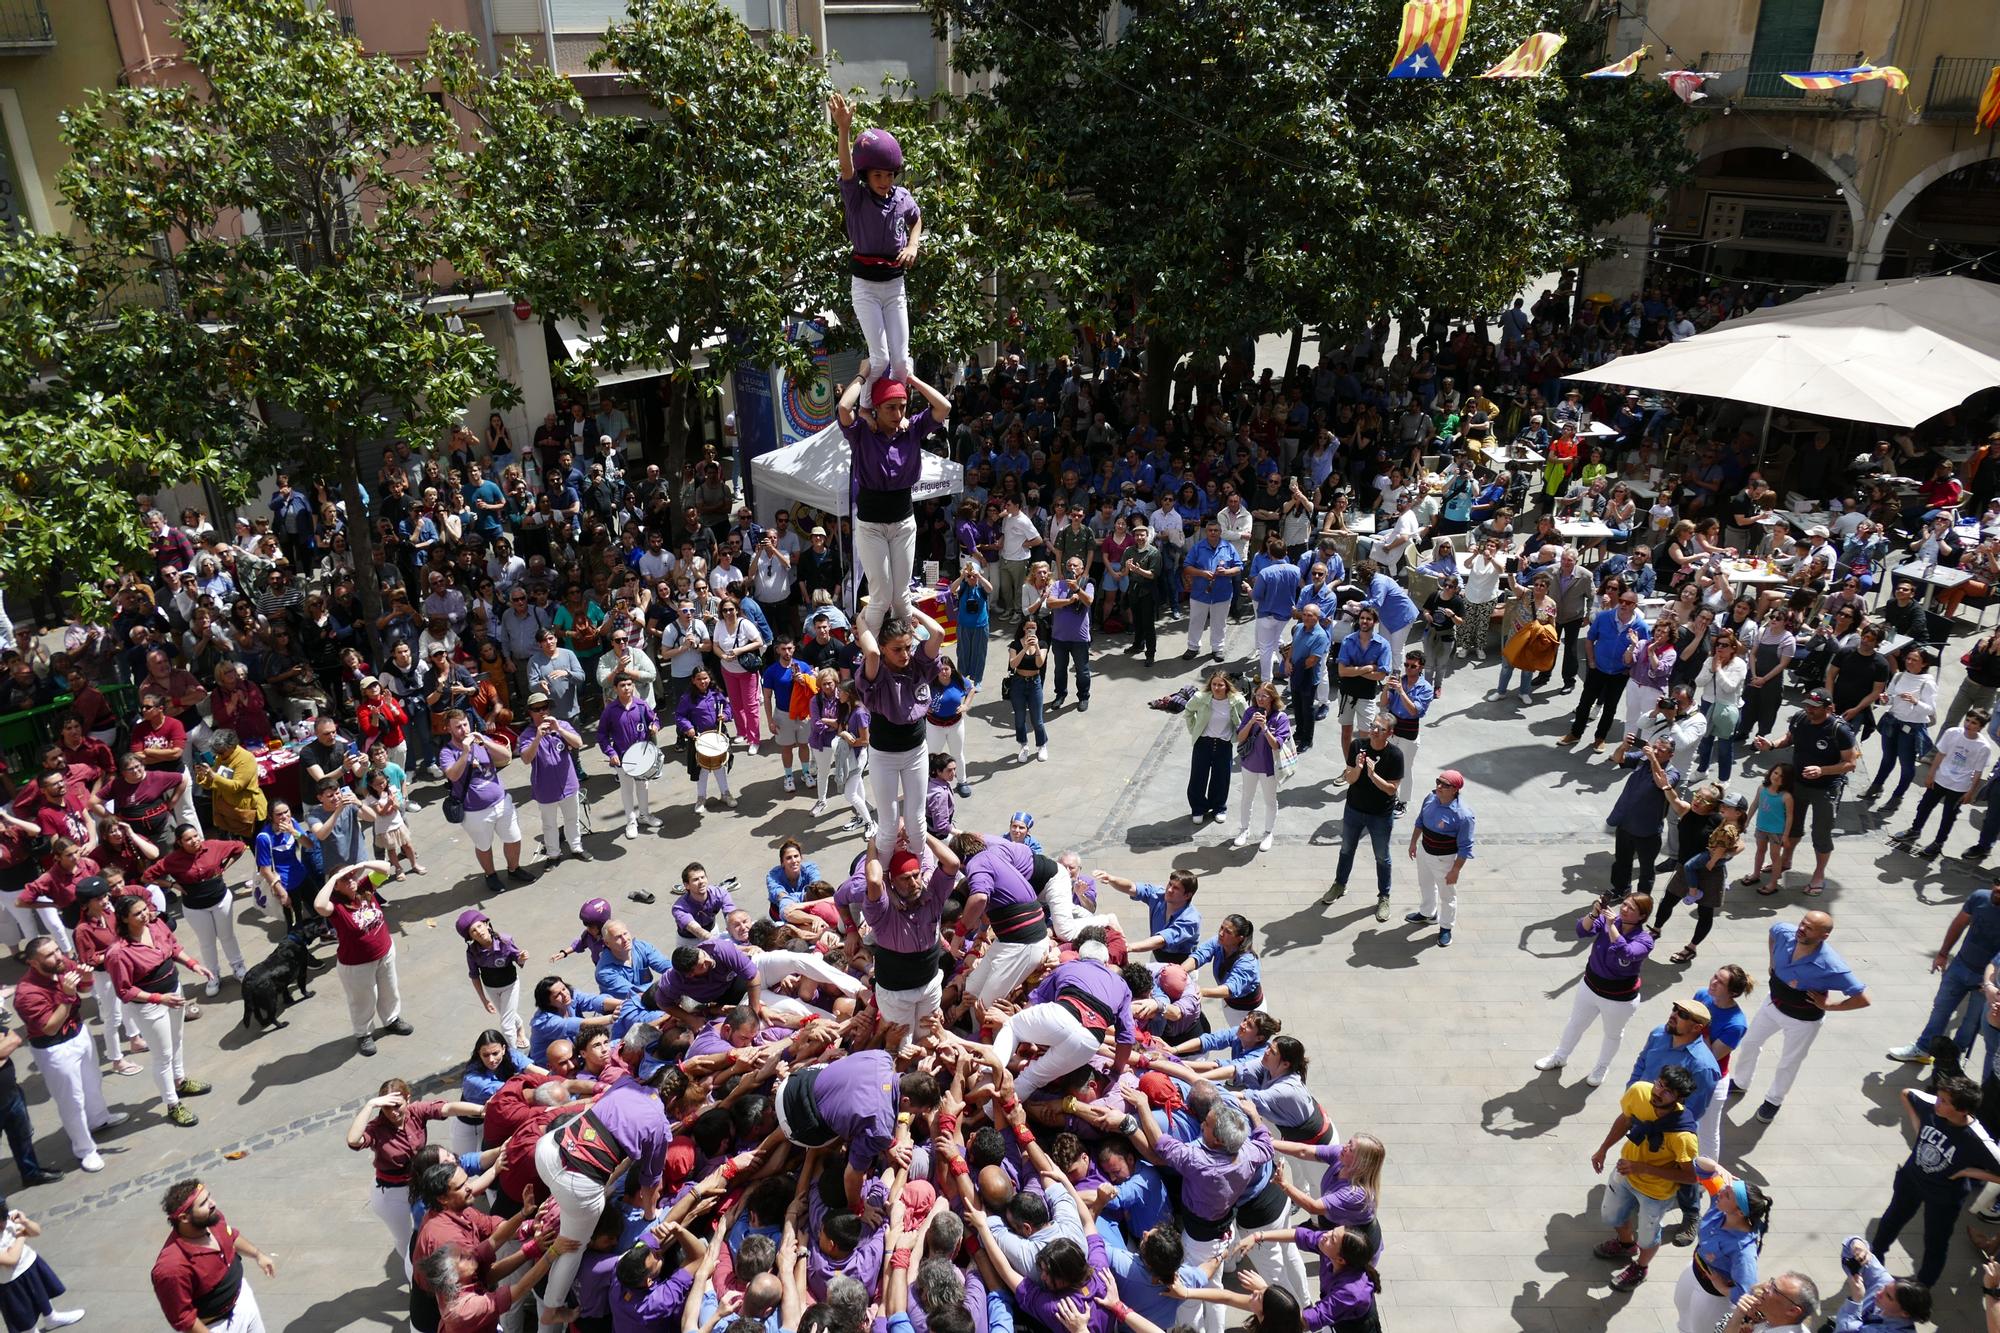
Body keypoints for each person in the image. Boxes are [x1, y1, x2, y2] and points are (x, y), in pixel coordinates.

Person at [1727, 911, 1870, 1125]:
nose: (1802, 928)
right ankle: (1740, 1081)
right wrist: (1772, 961)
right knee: (1749, 1042)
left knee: (1789, 1062)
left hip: (1803, 1021)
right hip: (1773, 1004)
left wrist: (1829, 1006)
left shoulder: (1832, 966)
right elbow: (1772, 932)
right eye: (1803, 923)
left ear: (1824, 936)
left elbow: (1863, 999)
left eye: (1810, 928)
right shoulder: (1785, 932)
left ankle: (1773, 1101)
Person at [1870, 1076, 2000, 1287]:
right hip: (1911, 1180)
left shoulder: (1978, 1139)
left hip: (1944, 1197)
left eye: (1944, 1102)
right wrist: (1918, 1125)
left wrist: (1968, 1171)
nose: (1937, 1102)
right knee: (1890, 1222)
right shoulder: (1933, 1106)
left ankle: (1922, 1287)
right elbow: (1906, 1093)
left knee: (1935, 1242)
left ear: (1962, 1110)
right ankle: (1872, 1263)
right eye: (1939, 1098)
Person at [10, 937, 126, 1174]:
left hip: (79, 1033)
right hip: (54, 1048)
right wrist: (66, 995)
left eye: (57, 950)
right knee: (71, 1100)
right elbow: (50, 1027)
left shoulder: (63, 964)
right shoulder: (26, 993)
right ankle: (84, 1149)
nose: (58, 956)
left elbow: (83, 989)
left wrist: (85, 979)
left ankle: (99, 1118)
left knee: (92, 1081)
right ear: (33, 962)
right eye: (49, 955)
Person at [830, 94, 920, 390]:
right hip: (866, 287)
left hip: (894, 285)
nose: (884, 180)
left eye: (889, 175)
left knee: (902, 362)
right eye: (877, 175)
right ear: (867, 175)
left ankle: (894, 408)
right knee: (879, 359)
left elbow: (916, 219)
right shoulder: (857, 198)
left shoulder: (902, 197)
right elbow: (846, 168)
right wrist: (843, 129)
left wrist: (912, 245)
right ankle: (868, 408)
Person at [103, 893, 211, 1128]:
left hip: (174, 991)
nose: (145, 915)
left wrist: (194, 965)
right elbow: (125, 990)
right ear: (123, 919)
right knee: (163, 1055)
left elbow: (173, 948)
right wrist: (159, 998)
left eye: (145, 910)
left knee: (178, 1039)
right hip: (150, 1007)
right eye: (137, 913)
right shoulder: (118, 952)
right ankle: (173, 1105)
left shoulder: (156, 925)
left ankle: (180, 1081)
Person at [1589, 1064, 1700, 1293]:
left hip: (1656, 1192)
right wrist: (1603, 1149)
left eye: (1667, 1091)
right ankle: (1626, 1244)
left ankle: (1640, 1267)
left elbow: (1690, 1177)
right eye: (1659, 1084)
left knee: (1649, 1236)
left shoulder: (1683, 1136)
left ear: (1679, 1098)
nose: (1658, 1092)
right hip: (1624, 1174)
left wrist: (1643, 1168)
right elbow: (1625, 1120)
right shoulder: (1639, 1091)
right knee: (1611, 1215)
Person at [1535, 895, 1657, 1086]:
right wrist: (1594, 913)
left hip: (1619, 998)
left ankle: (1602, 1066)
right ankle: (1560, 1055)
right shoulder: (1610, 920)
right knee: (1575, 1023)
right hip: (1590, 986)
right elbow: (1581, 931)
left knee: (1612, 1034)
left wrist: (1612, 927)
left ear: (1642, 916)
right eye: (1624, 904)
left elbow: (1626, 952)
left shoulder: (1645, 940)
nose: (1624, 909)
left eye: (1631, 908)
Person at [1751, 689, 1860, 895]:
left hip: (1826, 789)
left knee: (1821, 833)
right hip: (1798, 784)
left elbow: (1850, 763)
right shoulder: (1801, 718)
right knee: (1791, 826)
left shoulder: (1840, 730)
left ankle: (1819, 874)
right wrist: (1772, 745)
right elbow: (1790, 737)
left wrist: (1822, 771)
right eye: (1807, 704)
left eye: (1814, 707)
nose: (1808, 709)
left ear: (1828, 708)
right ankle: (1786, 860)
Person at [856, 608, 944, 857]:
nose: (905, 654)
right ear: (884, 648)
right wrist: (862, 620)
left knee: (916, 821)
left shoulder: (919, 665)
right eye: (897, 649)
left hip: (916, 752)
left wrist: (909, 606)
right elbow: (871, 651)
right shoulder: (877, 672)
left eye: (907, 647)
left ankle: (919, 868)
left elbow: (937, 632)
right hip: (884, 756)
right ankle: (883, 872)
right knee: (889, 823)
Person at [150, 1181, 278, 1333]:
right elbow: (183, 1317)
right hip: (215, 1326)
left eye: (209, 1197)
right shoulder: (171, 1267)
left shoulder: (212, 1219)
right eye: (203, 1203)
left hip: (243, 1302)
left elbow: (230, 1236)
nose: (213, 1204)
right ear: (184, 1218)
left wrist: (258, 1255)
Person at [315, 860, 410, 1059]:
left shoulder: (365, 886)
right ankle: (364, 1033)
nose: (351, 880)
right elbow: (318, 904)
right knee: (363, 1000)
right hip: (356, 965)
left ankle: (392, 1020)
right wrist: (333, 877)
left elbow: (385, 868)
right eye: (345, 879)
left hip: (385, 952)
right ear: (336, 886)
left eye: (352, 876)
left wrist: (361, 865)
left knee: (389, 990)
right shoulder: (336, 906)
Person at [437, 710, 537, 895]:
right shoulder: (447, 752)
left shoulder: (480, 740)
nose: (463, 729)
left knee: (513, 838)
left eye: (465, 724)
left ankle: (513, 869)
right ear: (448, 729)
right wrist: (466, 752)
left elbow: (506, 756)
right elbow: (452, 774)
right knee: (484, 845)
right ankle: (490, 875)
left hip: (501, 802)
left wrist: (485, 742)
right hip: (474, 811)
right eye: (458, 727)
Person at [1891, 706, 1995, 860]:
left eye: (1974, 723)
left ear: (1980, 727)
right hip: (1940, 779)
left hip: (1959, 786)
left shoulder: (1983, 747)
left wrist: (1970, 792)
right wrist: (1930, 774)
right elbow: (1940, 754)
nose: (1968, 724)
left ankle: (1938, 843)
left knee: (1948, 816)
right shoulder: (1952, 733)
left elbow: (1978, 772)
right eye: (1967, 720)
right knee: (1924, 806)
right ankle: (1915, 830)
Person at [1562, 587, 1647, 753]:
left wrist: (1629, 670)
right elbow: (1589, 640)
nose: (1622, 604)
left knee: (1610, 708)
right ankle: (1575, 733)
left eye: (1627, 603)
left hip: (1619, 673)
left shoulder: (1641, 627)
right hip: (1597, 669)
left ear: (1634, 606)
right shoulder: (1604, 617)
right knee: (1585, 702)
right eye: (1621, 601)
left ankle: (1600, 738)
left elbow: (1643, 652)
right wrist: (1591, 662)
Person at [1406, 768, 1474, 947]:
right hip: (1424, 851)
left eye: (1445, 784)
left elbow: (1465, 847)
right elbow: (1420, 821)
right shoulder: (1430, 798)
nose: (1439, 786)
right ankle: (1428, 913)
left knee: (1447, 895)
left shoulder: (1463, 815)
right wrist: (1414, 843)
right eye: (1438, 781)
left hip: (1445, 859)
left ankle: (1446, 928)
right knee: (1425, 884)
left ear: (1455, 789)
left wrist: (1456, 870)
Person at [596, 675, 661, 844]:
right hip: (623, 758)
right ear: (616, 688)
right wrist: (611, 753)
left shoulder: (641, 705)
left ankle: (644, 815)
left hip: (642, 756)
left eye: (629, 684)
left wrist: (655, 726)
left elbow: (655, 719)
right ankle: (631, 822)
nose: (627, 688)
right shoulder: (610, 711)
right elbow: (602, 735)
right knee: (626, 789)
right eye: (622, 685)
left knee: (643, 785)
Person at [0, 1208, 84, 1333]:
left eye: (3, 1219)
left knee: (43, 1297)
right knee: (24, 1317)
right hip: (10, 1282)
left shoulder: (10, 1218)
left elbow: (36, 1232)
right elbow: (11, 1259)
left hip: (31, 1265)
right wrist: (21, 1236)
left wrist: (25, 1222)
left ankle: (51, 1318)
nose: (3, 1225)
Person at [1231, 681, 1289, 853]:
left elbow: (1276, 745)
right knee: (1246, 798)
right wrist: (1250, 723)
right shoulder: (1250, 712)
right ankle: (1244, 829)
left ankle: (1268, 832)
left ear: (1272, 698)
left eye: (1264, 695)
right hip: (1249, 764)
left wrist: (1264, 727)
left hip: (1269, 768)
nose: (1260, 699)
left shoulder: (1281, 718)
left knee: (1270, 801)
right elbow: (1240, 738)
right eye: (1257, 695)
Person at [1183, 672, 1242, 826]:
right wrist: (1194, 728)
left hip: (1223, 744)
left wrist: (1239, 733)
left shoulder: (1236, 701)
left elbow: (1246, 717)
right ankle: (1198, 808)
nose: (1216, 687)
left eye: (1220, 685)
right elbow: (1188, 711)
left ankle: (1219, 808)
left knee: (1221, 778)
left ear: (1227, 686)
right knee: (1198, 777)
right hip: (1203, 743)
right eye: (1214, 684)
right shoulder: (1201, 698)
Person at [1181, 519, 1242, 662]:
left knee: (1219, 623)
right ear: (1206, 532)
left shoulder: (1229, 547)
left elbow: (1239, 567)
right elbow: (1186, 567)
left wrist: (1227, 572)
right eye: (1210, 530)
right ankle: (1193, 647)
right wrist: (1202, 573)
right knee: (1196, 621)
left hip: (1222, 593)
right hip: (1200, 593)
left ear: (1221, 532)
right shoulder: (1197, 548)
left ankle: (1217, 649)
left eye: (1216, 530)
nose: (1213, 533)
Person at [1007, 619, 1050, 764]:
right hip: (1018, 683)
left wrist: (1036, 646)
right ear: (1023, 629)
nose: (1030, 631)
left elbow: (1039, 663)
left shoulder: (1043, 644)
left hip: (1034, 683)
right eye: (1028, 628)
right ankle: (1023, 745)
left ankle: (1042, 745)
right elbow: (1013, 664)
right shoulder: (1015, 644)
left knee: (1037, 720)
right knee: (1019, 719)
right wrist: (1024, 648)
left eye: (1033, 628)